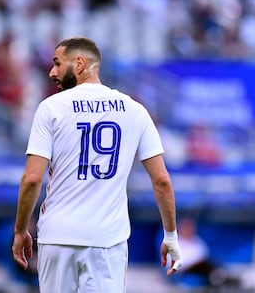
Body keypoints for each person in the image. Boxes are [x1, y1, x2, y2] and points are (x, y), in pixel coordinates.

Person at [12, 37, 183, 293]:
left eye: (57, 63)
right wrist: (170, 235)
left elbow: (32, 178)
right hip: (107, 239)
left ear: (79, 64)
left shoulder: (51, 108)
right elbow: (162, 181)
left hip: (58, 236)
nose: (52, 72)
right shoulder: (135, 110)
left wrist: (20, 229)